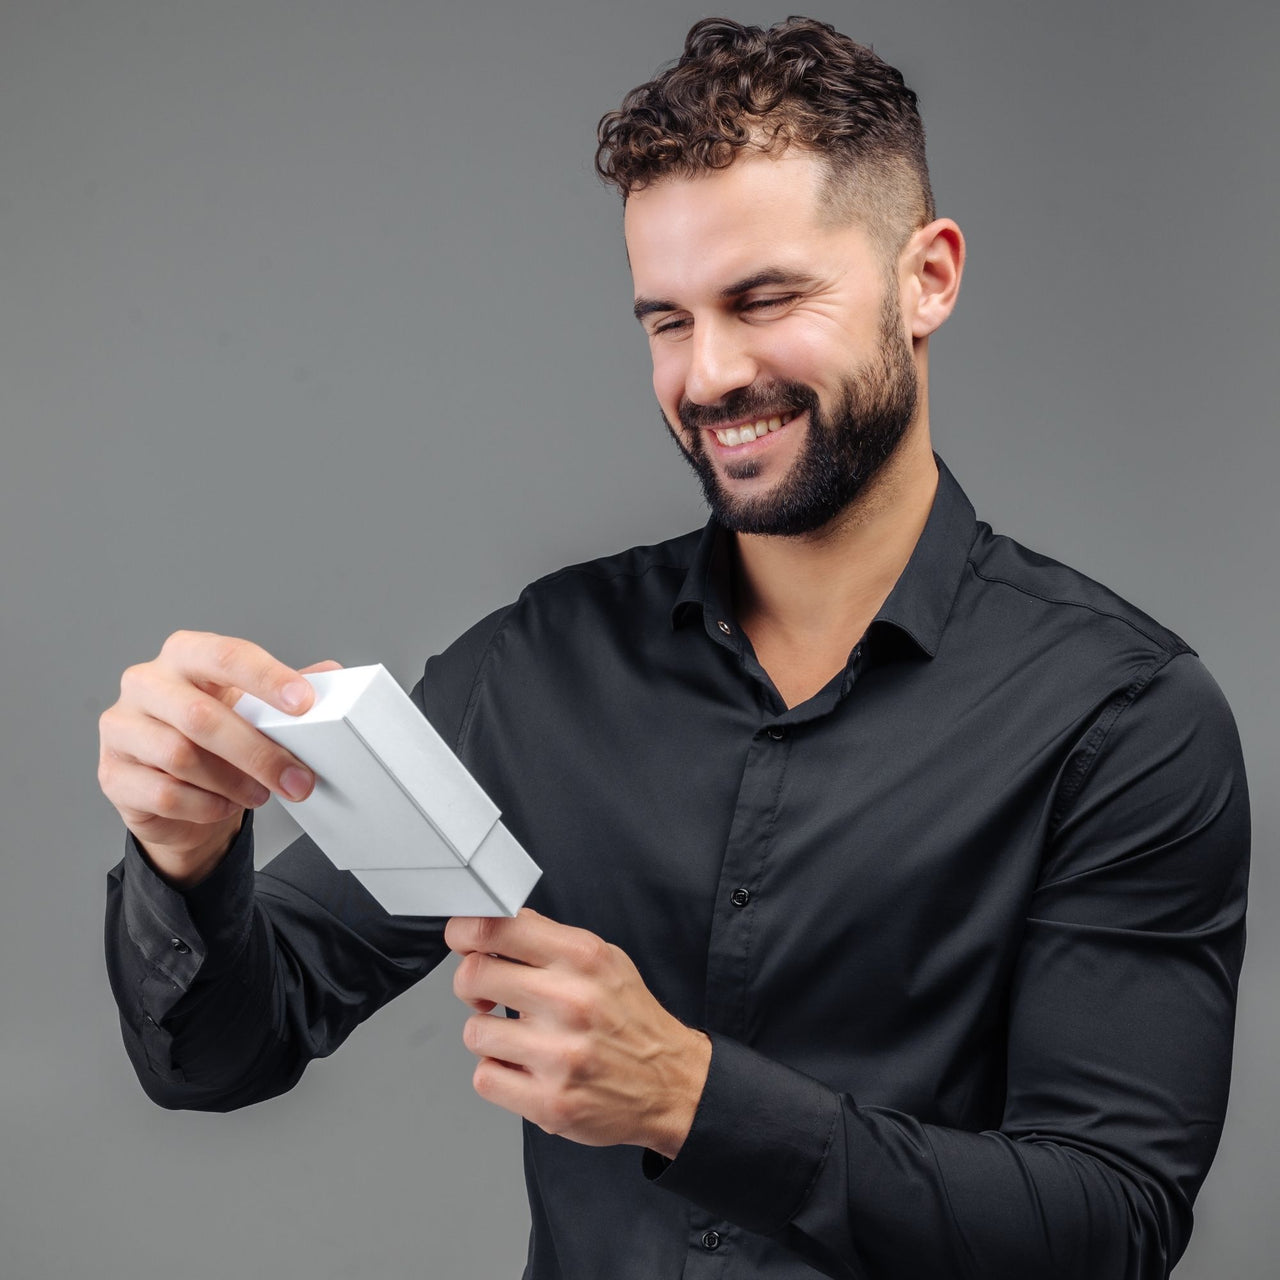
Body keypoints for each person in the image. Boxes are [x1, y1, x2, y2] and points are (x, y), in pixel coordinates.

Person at [99, 16, 1249, 1279]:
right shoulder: (532, 669)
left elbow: (1108, 1226)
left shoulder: (1122, 715)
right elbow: (218, 1053)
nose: (709, 375)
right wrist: (186, 851)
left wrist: (692, 1100)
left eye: (764, 300)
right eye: (666, 319)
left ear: (926, 278)